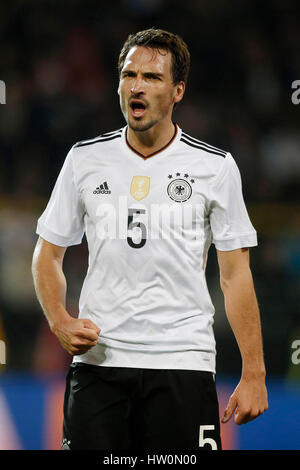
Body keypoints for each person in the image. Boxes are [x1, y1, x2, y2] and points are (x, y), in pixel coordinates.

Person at [31, 28, 268, 451]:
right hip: (100, 364)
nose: (136, 86)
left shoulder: (215, 167)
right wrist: (59, 321)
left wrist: (254, 373)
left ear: (178, 91)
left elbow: (235, 277)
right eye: (128, 74)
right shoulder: (84, 160)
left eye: (152, 78)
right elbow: (47, 255)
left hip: (183, 363)